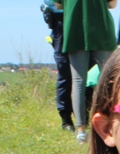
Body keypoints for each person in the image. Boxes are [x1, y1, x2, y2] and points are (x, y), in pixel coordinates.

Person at [59, 0, 118, 143]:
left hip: (74, 30)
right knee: (110, 80)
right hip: (102, 30)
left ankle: (81, 131)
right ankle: (111, 123)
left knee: (78, 82)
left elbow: (58, 5)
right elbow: (112, 4)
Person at [43, 0, 75, 131]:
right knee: (66, 76)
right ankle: (66, 119)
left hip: (86, 32)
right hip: (62, 33)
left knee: (90, 75)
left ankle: (86, 115)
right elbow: (54, 7)